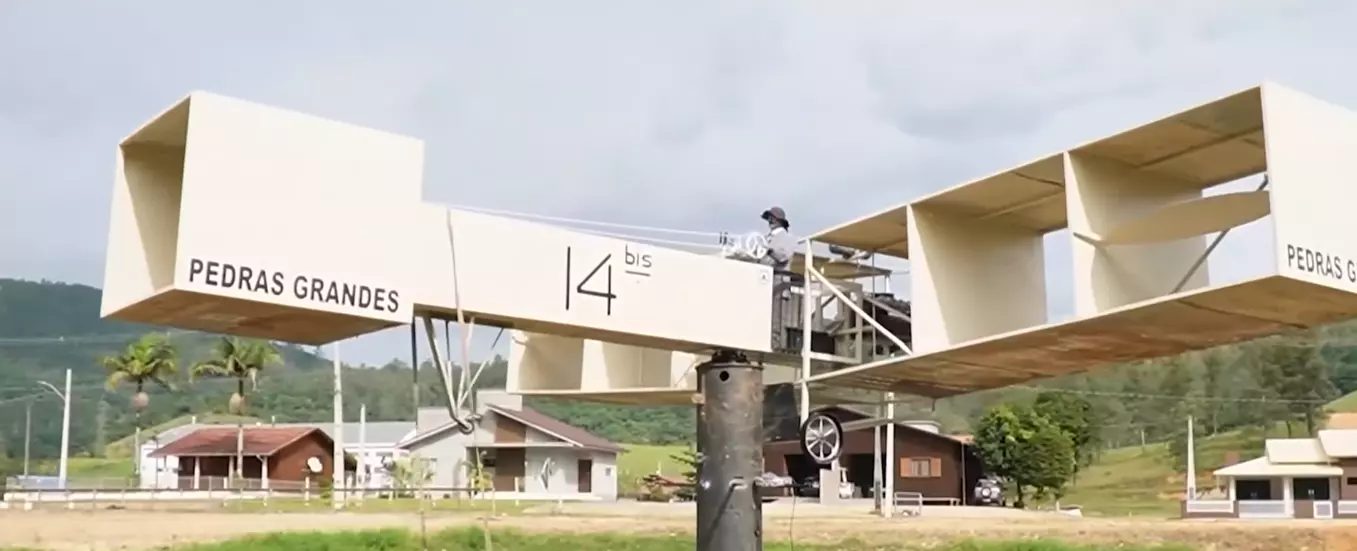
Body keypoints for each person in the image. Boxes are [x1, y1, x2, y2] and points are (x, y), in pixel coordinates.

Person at [757, 206, 796, 271]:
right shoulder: (765, 238)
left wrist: (769, 251)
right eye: (769, 218)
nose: (770, 221)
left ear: (781, 221)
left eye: (773, 218)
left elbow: (784, 257)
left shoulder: (789, 238)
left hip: (780, 277)